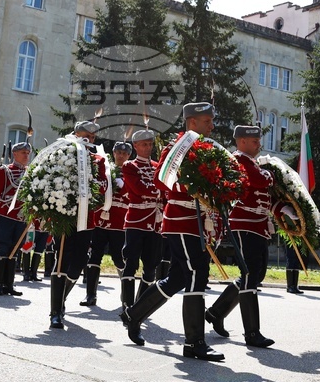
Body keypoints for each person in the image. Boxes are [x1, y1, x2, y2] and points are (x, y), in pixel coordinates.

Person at [121, 102, 227, 362]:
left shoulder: (205, 148)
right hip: (180, 219)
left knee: (178, 278)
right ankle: (194, 342)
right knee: (196, 273)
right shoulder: (176, 148)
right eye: (206, 121)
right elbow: (160, 180)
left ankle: (134, 314)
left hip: (197, 222)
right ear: (192, 122)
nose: (211, 125)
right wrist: (189, 187)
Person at [204, 125, 284, 348]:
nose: (259, 144)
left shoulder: (254, 163)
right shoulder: (239, 160)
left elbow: (265, 192)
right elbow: (259, 181)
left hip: (258, 225)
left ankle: (215, 312)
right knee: (249, 275)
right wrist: (271, 174)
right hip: (244, 224)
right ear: (241, 142)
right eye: (254, 140)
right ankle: (252, 333)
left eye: (258, 140)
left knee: (256, 274)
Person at [48, 121, 108, 329]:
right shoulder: (63, 154)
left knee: (81, 260)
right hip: (64, 215)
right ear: (75, 135)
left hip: (87, 218)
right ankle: (55, 311)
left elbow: (103, 184)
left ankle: (61, 298)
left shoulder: (98, 160)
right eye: (85, 136)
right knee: (62, 258)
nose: (89, 140)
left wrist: (91, 188)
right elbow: (51, 178)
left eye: (92, 137)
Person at [120, 129, 165, 313]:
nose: (148, 147)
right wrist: (157, 189)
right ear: (135, 146)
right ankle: (127, 305)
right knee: (131, 263)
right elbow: (139, 189)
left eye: (150, 144)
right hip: (137, 221)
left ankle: (140, 306)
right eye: (144, 144)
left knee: (151, 266)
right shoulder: (130, 166)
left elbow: (166, 191)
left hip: (155, 223)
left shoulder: (157, 166)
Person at [80, 140, 130, 307]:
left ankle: (127, 295)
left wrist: (124, 186)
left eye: (124, 153)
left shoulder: (130, 171)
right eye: (118, 152)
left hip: (119, 221)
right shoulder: (106, 169)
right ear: (114, 153)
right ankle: (90, 295)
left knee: (119, 257)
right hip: (101, 219)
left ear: (129, 155)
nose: (120, 155)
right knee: (94, 255)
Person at [0, 142, 31, 296]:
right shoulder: (4, 171)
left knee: (15, 250)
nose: (26, 155)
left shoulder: (30, 173)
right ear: (15, 154)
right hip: (5, 215)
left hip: (22, 218)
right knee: (3, 248)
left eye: (28, 152)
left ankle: (9, 285)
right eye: (23, 152)